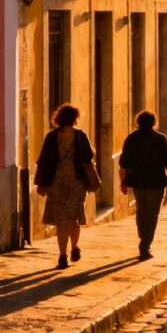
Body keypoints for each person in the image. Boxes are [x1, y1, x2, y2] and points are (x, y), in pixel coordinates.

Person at [34, 103, 95, 269]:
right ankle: (74, 248)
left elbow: (43, 161)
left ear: (58, 118)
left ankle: (62, 255)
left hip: (56, 182)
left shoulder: (52, 137)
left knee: (62, 219)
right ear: (75, 118)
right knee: (73, 218)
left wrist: (40, 183)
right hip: (77, 182)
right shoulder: (81, 136)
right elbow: (89, 157)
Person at [118, 110, 167, 261]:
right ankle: (145, 245)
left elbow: (124, 164)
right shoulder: (160, 139)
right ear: (153, 122)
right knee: (152, 214)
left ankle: (143, 238)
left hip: (138, 182)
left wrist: (123, 183)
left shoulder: (131, 139)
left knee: (141, 211)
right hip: (156, 183)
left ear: (138, 122)